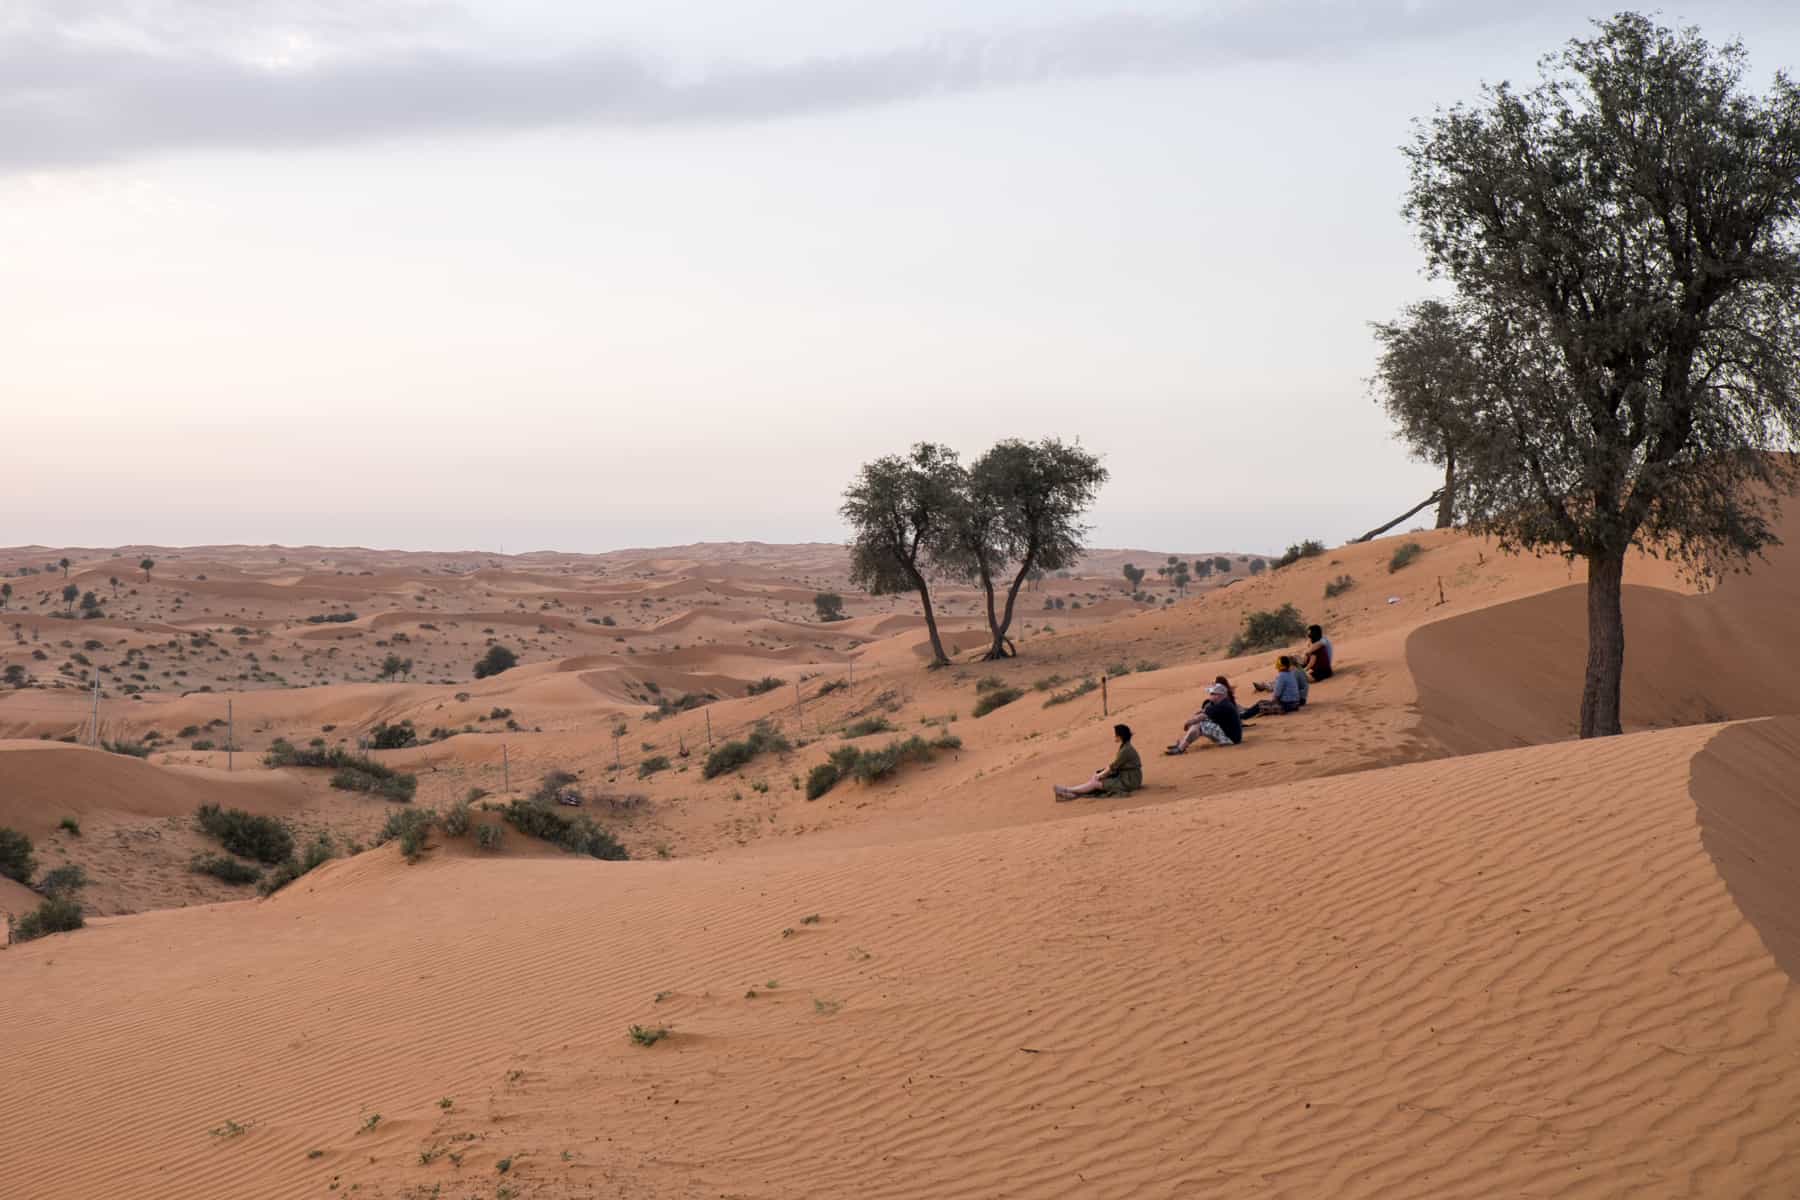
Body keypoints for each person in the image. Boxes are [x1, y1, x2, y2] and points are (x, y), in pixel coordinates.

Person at [1054, 724, 1143, 800]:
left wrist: (1099, 775)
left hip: (1130, 781)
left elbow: (1113, 766)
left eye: (1116, 735)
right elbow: (1114, 766)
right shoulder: (1125, 746)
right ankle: (1070, 792)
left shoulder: (1126, 750)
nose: (1114, 737)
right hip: (1128, 777)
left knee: (1095, 783)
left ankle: (1068, 790)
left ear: (1120, 737)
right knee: (1097, 778)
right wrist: (1100, 774)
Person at [1166, 683, 1243, 753]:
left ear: (1219, 695)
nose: (1210, 695)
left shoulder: (1222, 706)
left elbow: (1201, 717)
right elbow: (1203, 712)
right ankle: (1182, 743)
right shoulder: (1223, 703)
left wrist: (1188, 722)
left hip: (1230, 739)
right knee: (1200, 723)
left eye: (1212, 693)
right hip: (1232, 737)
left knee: (1199, 725)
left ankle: (1180, 748)